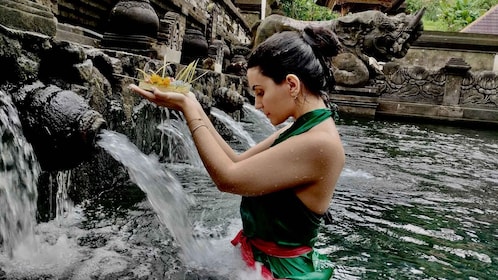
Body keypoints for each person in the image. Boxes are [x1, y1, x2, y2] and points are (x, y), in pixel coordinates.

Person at [129, 25, 345, 280]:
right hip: (257, 261)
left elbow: (228, 179)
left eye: (260, 92)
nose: (257, 104)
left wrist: (188, 109)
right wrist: (193, 105)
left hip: (280, 272)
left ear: (291, 84)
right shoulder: (304, 128)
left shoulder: (318, 142)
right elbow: (236, 161)